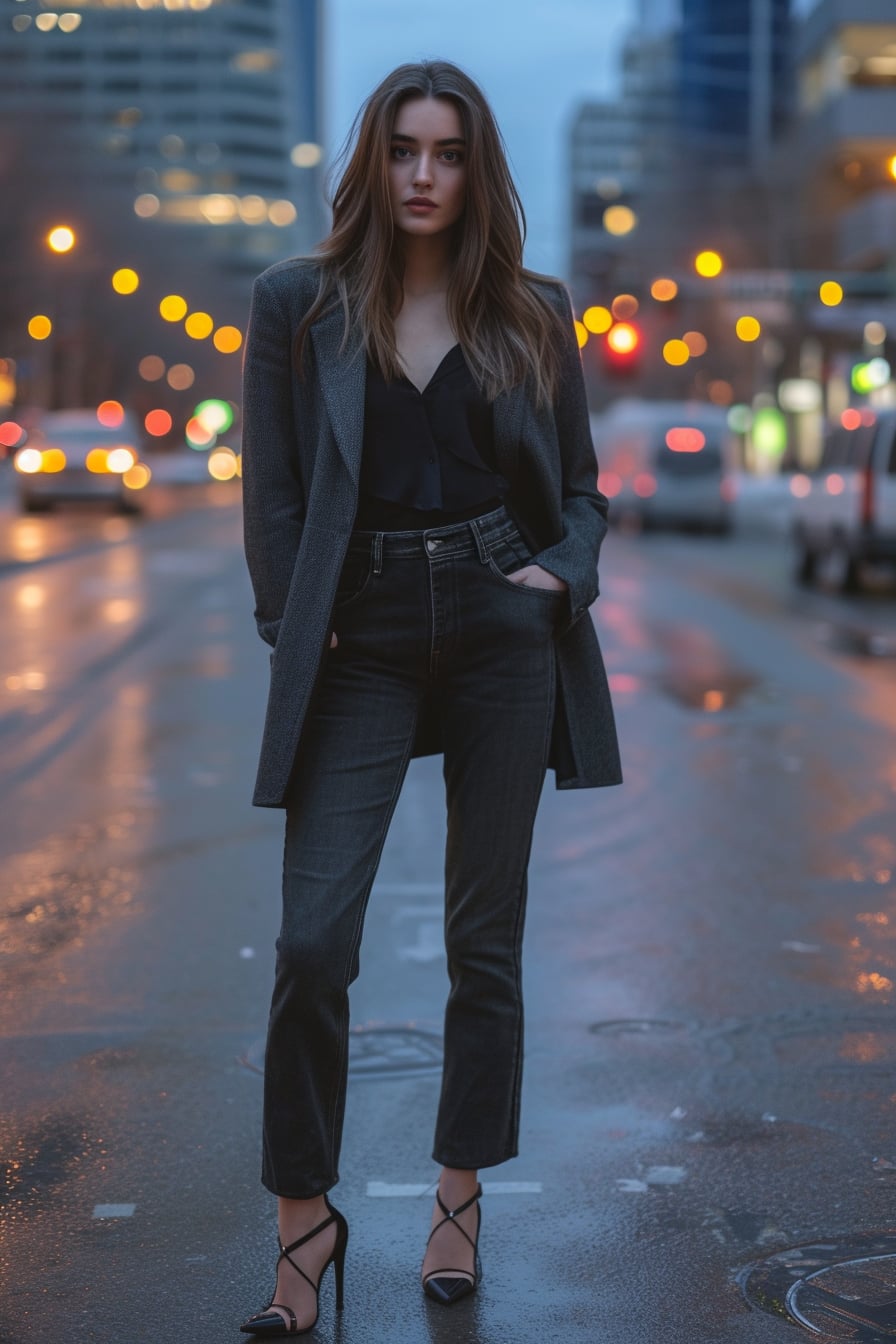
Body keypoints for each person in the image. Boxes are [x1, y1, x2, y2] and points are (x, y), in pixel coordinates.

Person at [239, 58, 622, 1337]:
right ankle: (306, 1217)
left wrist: (553, 581)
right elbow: (277, 501)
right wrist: (298, 627)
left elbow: (580, 498)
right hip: (359, 634)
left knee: (482, 944)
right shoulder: (298, 305)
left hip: (499, 621)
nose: (420, 176)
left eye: (446, 153)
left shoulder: (532, 311)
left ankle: (456, 1197)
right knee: (310, 944)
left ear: (475, 169)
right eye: (402, 149)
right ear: (371, 161)